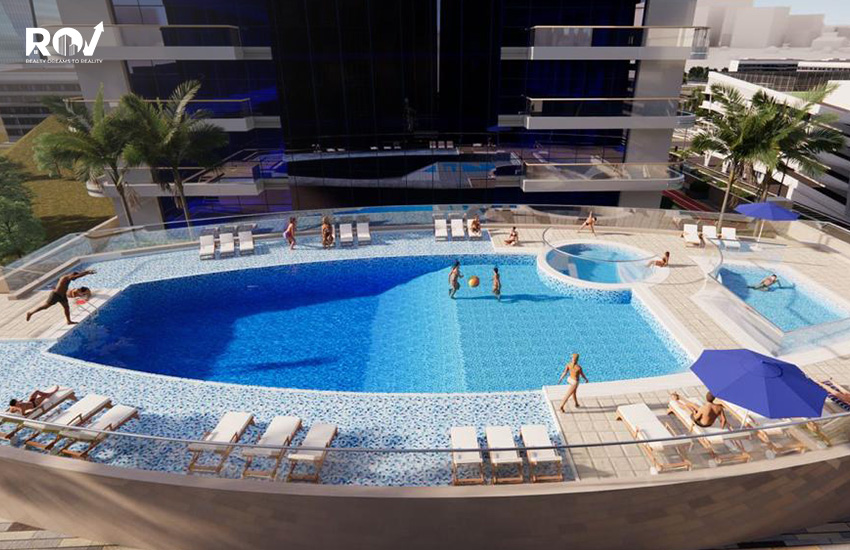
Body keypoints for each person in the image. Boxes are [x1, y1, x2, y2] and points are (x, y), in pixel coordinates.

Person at [26, 269, 96, 325]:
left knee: (66, 308)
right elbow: (75, 276)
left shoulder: (68, 278)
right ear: (72, 274)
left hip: (63, 295)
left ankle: (69, 321)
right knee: (46, 306)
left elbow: (76, 276)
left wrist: (85, 272)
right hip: (56, 295)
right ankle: (30, 313)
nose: (73, 280)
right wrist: (87, 272)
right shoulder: (66, 277)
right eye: (73, 278)